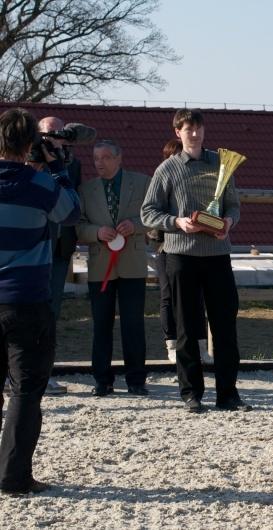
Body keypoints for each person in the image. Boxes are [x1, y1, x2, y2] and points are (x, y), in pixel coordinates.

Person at [141, 109, 248, 414]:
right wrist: (177, 222)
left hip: (217, 255)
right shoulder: (167, 169)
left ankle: (228, 394)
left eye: (199, 127)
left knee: (225, 325)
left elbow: (233, 205)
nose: (195, 133)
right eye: (188, 128)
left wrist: (228, 222)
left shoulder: (222, 163)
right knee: (187, 327)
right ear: (178, 132)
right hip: (181, 256)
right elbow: (148, 212)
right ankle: (191, 393)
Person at [0, 108, 80, 494]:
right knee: (26, 391)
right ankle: (13, 476)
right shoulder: (39, 184)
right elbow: (71, 212)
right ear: (30, 143)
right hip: (26, 298)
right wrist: (58, 167)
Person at [76, 140, 149, 396]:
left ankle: (136, 380)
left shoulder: (142, 182)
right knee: (101, 325)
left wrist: (135, 226)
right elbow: (78, 226)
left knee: (133, 324)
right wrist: (96, 232)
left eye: (106, 157)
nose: (100, 163)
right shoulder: (86, 190)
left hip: (133, 264)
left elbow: (154, 216)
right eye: (96, 158)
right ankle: (102, 380)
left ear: (119, 158)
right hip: (100, 266)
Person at [151, 139, 210, 364]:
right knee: (168, 295)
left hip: (195, 247)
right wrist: (174, 222)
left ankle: (201, 346)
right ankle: (172, 344)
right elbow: (152, 218)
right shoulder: (161, 180)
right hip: (166, 247)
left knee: (198, 297)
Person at [39, 116, 83, 395]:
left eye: (59, 133)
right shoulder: (27, 159)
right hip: (31, 246)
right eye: (49, 133)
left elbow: (73, 201)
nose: (54, 138)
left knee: (51, 313)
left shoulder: (72, 163)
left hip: (59, 249)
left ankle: (45, 372)